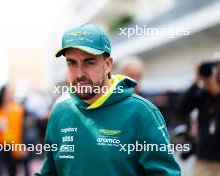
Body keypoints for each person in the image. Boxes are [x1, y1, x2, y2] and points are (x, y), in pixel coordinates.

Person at [36, 23, 181, 176]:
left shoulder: (142, 112)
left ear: (108, 65)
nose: (79, 74)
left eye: (89, 62)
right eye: (72, 63)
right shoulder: (60, 112)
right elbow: (50, 172)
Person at [177, 61, 220, 176]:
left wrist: (216, 91)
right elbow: (181, 110)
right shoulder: (203, 96)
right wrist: (196, 81)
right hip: (203, 159)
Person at [0, 85, 24, 176]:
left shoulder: (18, 109)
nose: (9, 95)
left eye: (11, 93)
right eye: (7, 92)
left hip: (12, 143)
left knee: (12, 169)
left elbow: (21, 129)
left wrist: (23, 145)